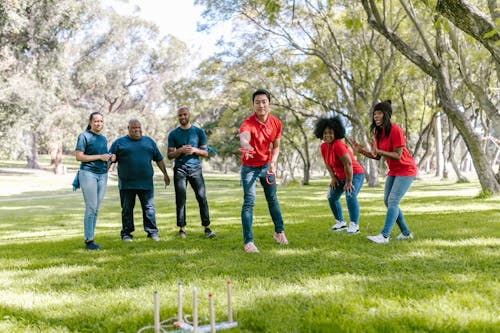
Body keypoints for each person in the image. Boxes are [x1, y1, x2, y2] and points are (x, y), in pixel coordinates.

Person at [351, 100, 417, 243]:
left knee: (393, 201)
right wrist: (360, 151)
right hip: (393, 171)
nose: (376, 116)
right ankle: (405, 233)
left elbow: (398, 155)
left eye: (379, 113)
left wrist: (378, 150)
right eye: (374, 113)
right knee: (388, 202)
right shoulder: (377, 132)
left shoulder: (395, 130)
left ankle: (384, 236)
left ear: (386, 115)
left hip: (406, 169)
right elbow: (377, 156)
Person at [239, 89, 288, 253]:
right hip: (249, 169)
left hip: (267, 166)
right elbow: (244, 137)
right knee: (249, 202)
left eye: (264, 101)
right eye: (257, 102)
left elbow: (276, 146)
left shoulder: (276, 123)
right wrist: (247, 145)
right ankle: (248, 242)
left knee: (273, 199)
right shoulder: (248, 123)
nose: (261, 105)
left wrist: (273, 163)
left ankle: (279, 232)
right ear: (253, 105)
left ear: (269, 103)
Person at [109, 119, 170, 242]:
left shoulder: (149, 142)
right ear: (128, 128)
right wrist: (103, 171)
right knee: (127, 209)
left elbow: (158, 158)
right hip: (127, 184)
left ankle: (152, 233)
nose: (137, 130)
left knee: (149, 208)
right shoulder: (119, 143)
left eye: (139, 127)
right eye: (134, 128)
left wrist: (165, 173)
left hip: (146, 183)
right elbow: (110, 159)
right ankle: (126, 234)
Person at [167, 107, 216, 239]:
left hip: (195, 169)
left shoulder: (198, 132)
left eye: (184, 114)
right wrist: (180, 151)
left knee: (201, 197)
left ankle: (207, 228)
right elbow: (169, 155)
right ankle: (182, 229)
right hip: (180, 169)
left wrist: (194, 150)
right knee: (181, 199)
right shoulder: (173, 134)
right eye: (180, 115)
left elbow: (205, 152)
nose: (182, 117)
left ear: (189, 115)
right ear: (178, 117)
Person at [314, 116, 365, 234]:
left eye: (330, 133)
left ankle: (354, 226)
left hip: (355, 174)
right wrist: (333, 178)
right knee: (331, 197)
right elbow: (328, 164)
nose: (327, 135)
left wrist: (348, 182)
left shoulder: (338, 145)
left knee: (350, 194)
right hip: (340, 176)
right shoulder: (323, 147)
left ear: (336, 133)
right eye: (325, 133)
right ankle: (340, 223)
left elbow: (348, 164)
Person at [75, 112, 115, 250]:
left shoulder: (103, 139)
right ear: (90, 122)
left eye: (101, 121)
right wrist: (99, 156)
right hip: (88, 174)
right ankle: (89, 241)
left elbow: (104, 158)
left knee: (96, 208)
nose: (99, 124)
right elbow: (79, 157)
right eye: (96, 121)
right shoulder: (84, 136)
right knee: (91, 207)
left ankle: (91, 238)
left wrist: (110, 158)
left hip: (102, 175)